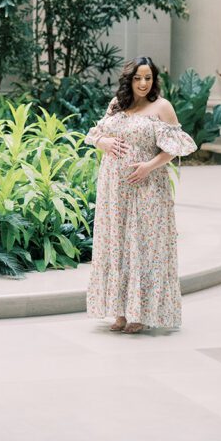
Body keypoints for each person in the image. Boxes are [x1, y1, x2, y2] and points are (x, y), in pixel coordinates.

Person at [85, 56, 197, 334]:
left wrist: (148, 166)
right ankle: (120, 312)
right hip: (113, 188)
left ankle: (140, 313)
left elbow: (176, 147)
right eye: (138, 78)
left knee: (143, 245)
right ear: (129, 80)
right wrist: (104, 142)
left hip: (147, 187)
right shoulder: (116, 104)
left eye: (148, 78)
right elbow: (95, 134)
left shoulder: (162, 107)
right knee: (117, 244)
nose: (143, 83)